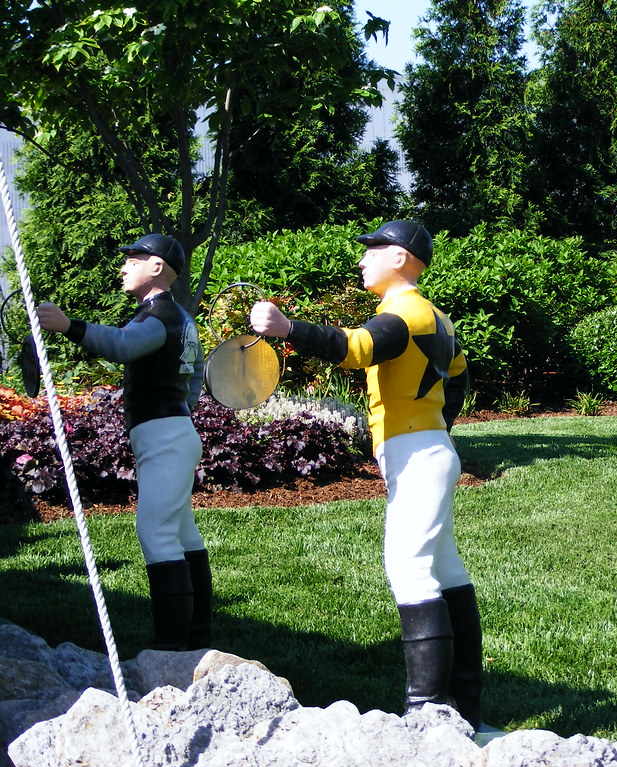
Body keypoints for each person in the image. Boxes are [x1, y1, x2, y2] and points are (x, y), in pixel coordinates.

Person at [248, 219, 486, 731]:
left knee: (408, 567)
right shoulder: (436, 317)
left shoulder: (406, 312)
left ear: (400, 258)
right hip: (427, 449)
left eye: (372, 250)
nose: (362, 259)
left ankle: (425, 712)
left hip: (418, 455)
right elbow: (461, 380)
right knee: (445, 572)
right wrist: (435, 431)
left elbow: (358, 348)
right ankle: (465, 709)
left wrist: (288, 329)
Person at [37, 234, 211, 653]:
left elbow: (124, 346)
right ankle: (196, 639)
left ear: (156, 268)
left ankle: (169, 650)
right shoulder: (179, 317)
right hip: (174, 430)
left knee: (156, 533)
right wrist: (178, 414)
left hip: (164, 436)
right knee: (184, 535)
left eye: (134, 260)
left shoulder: (158, 317)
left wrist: (69, 326)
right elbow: (193, 380)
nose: (124, 267)